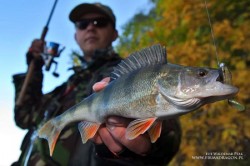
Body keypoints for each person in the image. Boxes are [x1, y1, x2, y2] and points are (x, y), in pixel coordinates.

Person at [12, 2, 181, 166]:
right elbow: (24, 117)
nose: (90, 28)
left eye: (99, 22)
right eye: (82, 24)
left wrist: (135, 151)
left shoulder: (126, 74)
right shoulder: (66, 87)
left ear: (115, 33)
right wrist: (34, 70)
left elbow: (169, 135)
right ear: (75, 36)